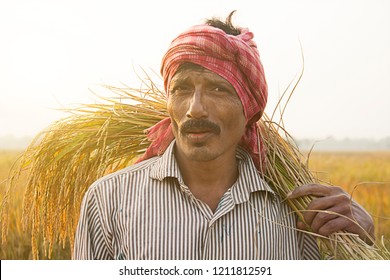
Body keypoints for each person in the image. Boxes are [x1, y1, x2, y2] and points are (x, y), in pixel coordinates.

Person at [73, 12, 374, 260]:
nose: (195, 109)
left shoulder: (296, 209)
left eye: (218, 89)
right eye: (182, 89)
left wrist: (363, 244)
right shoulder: (109, 200)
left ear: (249, 108)